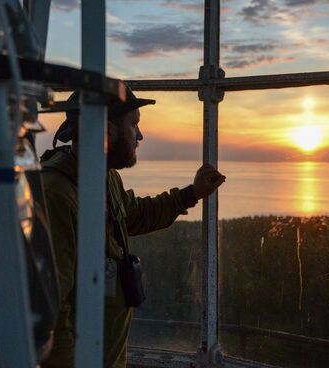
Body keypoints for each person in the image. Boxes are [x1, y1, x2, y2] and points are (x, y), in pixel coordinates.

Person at [40, 87, 226, 368]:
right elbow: (51, 308)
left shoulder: (104, 179)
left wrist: (191, 193)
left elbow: (133, 215)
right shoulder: (57, 194)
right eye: (134, 124)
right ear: (108, 130)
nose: (140, 136)